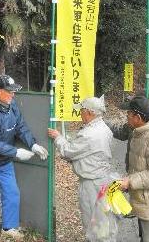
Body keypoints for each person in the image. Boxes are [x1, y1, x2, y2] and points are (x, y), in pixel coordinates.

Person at [0, 74, 48, 240]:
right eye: (10, 91)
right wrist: (16, 152)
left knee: (12, 193)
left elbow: (20, 127)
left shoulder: (11, 105)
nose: (13, 95)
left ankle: (9, 227)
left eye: (13, 91)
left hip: (4, 161)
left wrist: (32, 144)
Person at [48, 95, 117, 241]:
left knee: (93, 220)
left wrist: (57, 137)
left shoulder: (89, 134)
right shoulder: (104, 128)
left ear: (90, 112)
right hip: (103, 179)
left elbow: (68, 150)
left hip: (92, 183)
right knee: (104, 219)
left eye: (82, 110)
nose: (80, 113)